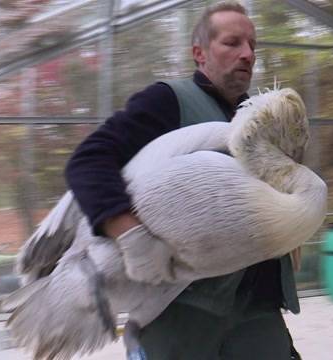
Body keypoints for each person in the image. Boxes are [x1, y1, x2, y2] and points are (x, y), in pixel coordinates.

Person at [65, 2, 302, 359]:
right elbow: (88, 161)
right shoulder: (168, 102)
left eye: (253, 45)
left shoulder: (259, 118)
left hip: (259, 310)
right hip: (183, 310)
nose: (247, 54)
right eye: (232, 43)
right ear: (199, 53)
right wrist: (130, 234)